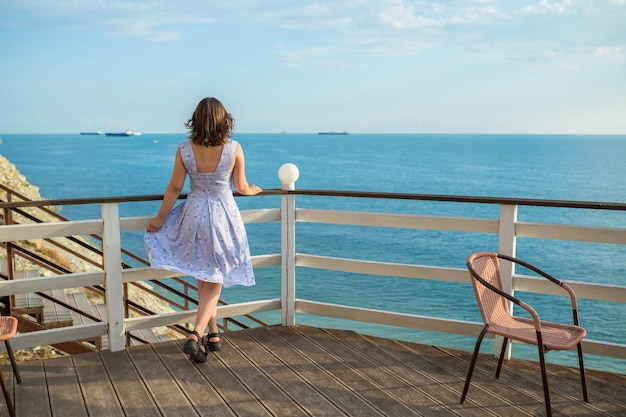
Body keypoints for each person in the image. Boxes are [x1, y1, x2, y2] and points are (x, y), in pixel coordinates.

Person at [144, 97, 262, 363]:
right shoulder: (233, 148)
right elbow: (241, 186)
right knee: (215, 275)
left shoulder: (185, 149)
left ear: (195, 120)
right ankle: (195, 334)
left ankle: (214, 333)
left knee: (203, 271)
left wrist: (160, 219)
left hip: (194, 215)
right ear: (224, 120)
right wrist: (253, 190)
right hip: (223, 217)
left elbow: (175, 188)